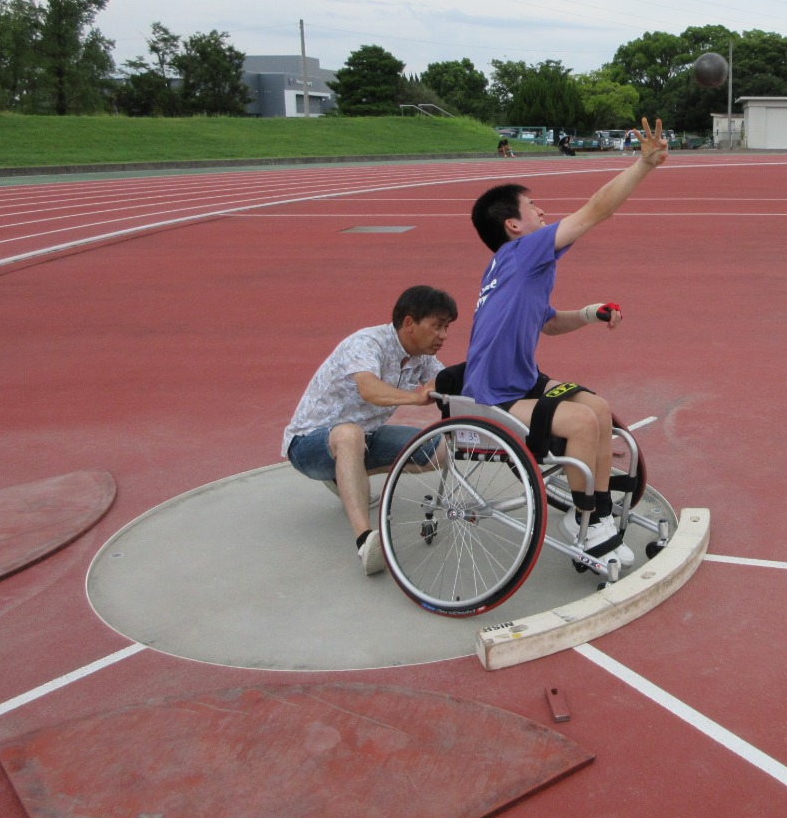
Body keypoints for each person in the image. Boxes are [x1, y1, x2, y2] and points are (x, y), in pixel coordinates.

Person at [464, 118, 671, 569]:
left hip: (519, 380)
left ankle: (593, 514)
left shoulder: (513, 268)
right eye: (533, 207)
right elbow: (596, 211)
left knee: (596, 409)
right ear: (513, 225)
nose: (543, 213)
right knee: (580, 423)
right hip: (494, 391)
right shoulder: (523, 251)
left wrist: (589, 313)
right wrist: (643, 165)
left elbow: (548, 324)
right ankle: (587, 520)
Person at [283, 286, 457, 575]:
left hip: (366, 436)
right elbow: (368, 388)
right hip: (308, 443)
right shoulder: (367, 342)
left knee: (439, 450)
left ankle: (345, 474)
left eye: (447, 327)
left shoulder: (421, 356)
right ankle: (365, 540)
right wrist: (416, 397)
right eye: (437, 326)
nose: (444, 336)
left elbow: (446, 380)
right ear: (410, 323)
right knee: (349, 434)